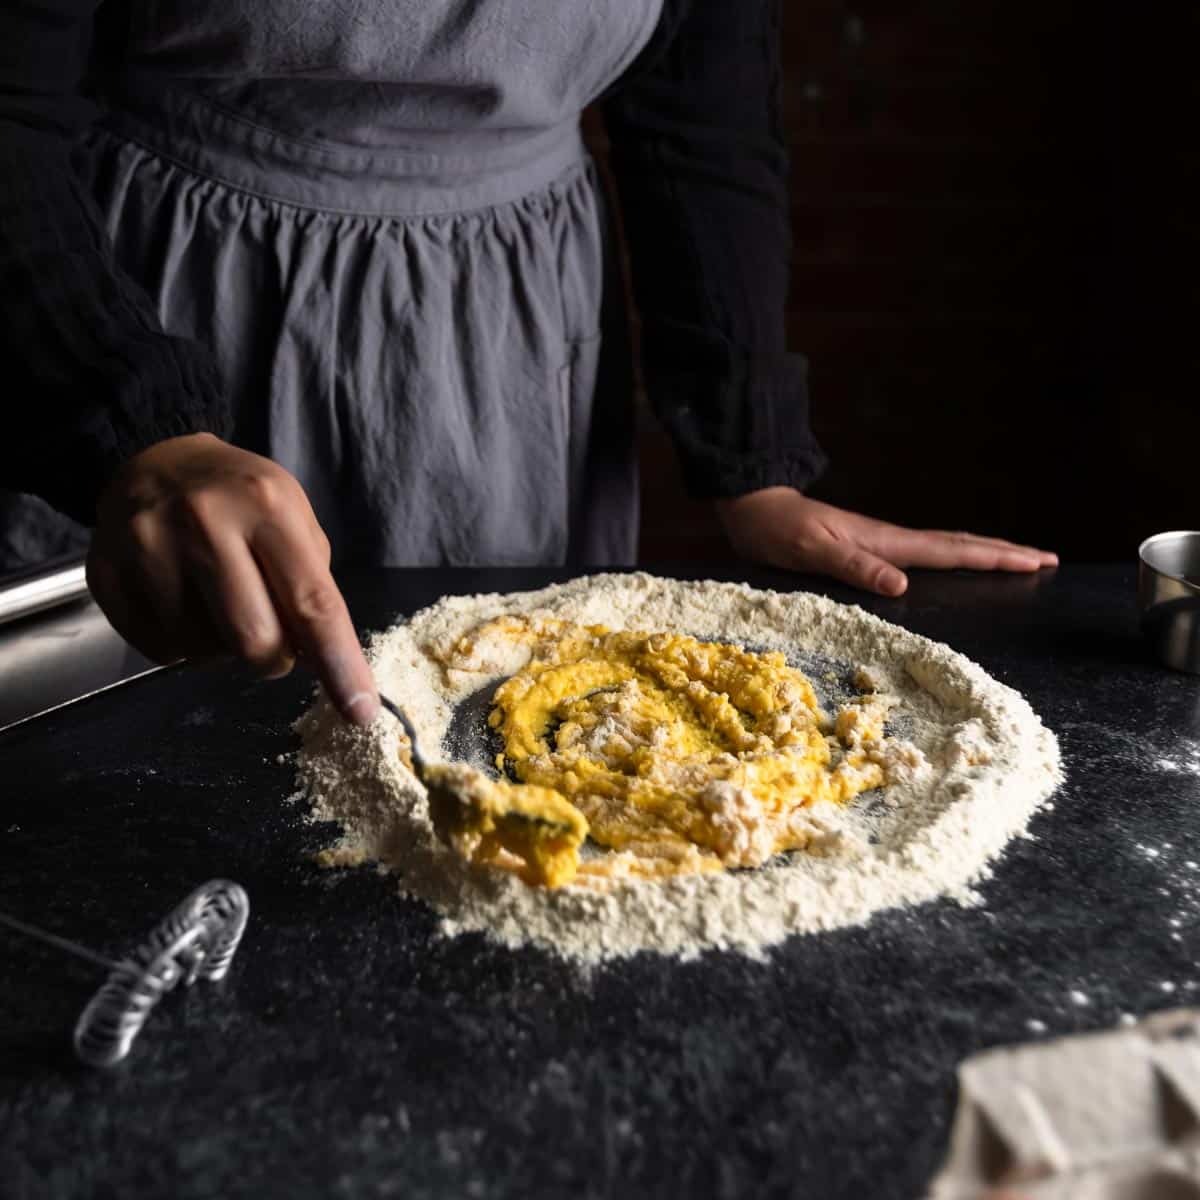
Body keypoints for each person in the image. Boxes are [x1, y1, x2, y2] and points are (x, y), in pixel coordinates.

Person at [0, 0, 1055, 727]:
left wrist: (755, 465)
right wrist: (133, 423)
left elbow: (703, 120)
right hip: (145, 295)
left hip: (507, 360)